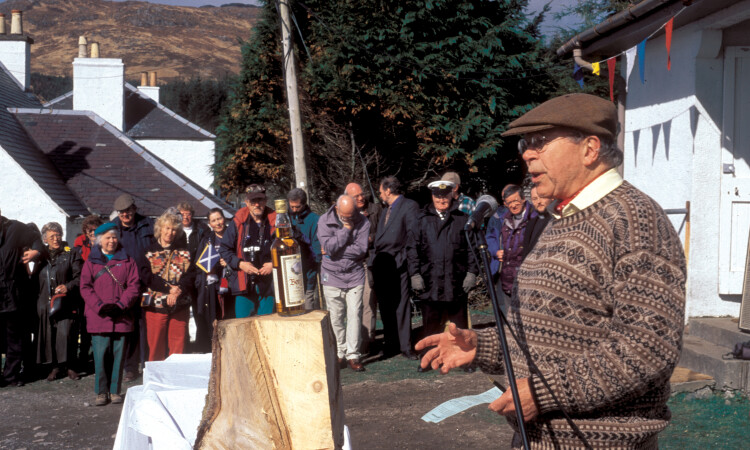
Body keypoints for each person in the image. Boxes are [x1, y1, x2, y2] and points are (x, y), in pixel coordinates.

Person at [417, 93, 686, 449]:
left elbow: (647, 349)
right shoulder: (562, 220)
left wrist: (542, 394)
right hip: (537, 438)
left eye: (541, 142)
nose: (527, 153)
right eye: (527, 144)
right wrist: (480, 346)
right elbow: (543, 336)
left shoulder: (635, 220)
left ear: (590, 149)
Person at [79, 222, 140, 406]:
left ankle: (115, 391)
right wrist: (100, 306)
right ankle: (100, 392)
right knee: (100, 356)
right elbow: (85, 287)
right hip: (99, 317)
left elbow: (134, 286)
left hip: (121, 316)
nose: (112, 241)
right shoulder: (91, 262)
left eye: (114, 237)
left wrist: (121, 305)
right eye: (107, 238)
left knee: (118, 356)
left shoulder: (128, 261)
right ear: (99, 241)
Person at [413, 181, 477, 347]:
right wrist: (414, 274)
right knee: (430, 325)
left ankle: (464, 356)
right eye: (437, 196)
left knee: (460, 325)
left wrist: (472, 273)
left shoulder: (462, 219)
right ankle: (429, 357)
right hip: (430, 281)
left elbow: (472, 249)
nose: (441, 200)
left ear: (451, 195)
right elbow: (412, 249)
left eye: (445, 196)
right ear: (432, 197)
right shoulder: (421, 220)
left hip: (455, 281)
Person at [318, 195, 370, 372]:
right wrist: (346, 230)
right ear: (337, 208)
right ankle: (340, 352)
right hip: (331, 276)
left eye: (351, 215)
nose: (349, 218)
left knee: (355, 315)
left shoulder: (363, 221)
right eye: (345, 216)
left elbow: (361, 250)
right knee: (336, 317)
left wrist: (335, 250)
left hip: (355, 275)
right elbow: (329, 247)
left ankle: (353, 355)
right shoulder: (324, 220)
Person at [371, 176, 420, 360]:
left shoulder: (409, 206)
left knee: (401, 307)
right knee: (385, 307)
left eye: (381, 190)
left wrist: (406, 262)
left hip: (399, 264)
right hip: (382, 265)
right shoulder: (385, 210)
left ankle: (406, 347)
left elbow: (413, 237)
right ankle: (391, 344)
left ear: (388, 190)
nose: (380, 193)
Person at [141, 211, 196, 361]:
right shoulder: (148, 251)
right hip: (155, 306)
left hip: (180, 304)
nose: (170, 232)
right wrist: (169, 289)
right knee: (155, 347)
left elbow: (190, 275)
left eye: (173, 229)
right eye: (167, 228)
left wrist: (177, 291)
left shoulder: (185, 252)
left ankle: (175, 380)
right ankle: (155, 381)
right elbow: (147, 277)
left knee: (178, 349)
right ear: (160, 228)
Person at [112, 193, 155, 382]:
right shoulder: (113, 229)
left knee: (146, 325)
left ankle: (148, 365)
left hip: (147, 285)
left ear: (134, 209)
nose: (125, 215)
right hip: (125, 287)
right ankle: (130, 367)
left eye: (128, 211)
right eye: (122, 212)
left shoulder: (149, 225)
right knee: (128, 327)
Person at [0, 211, 45, 387]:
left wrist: (36, 251)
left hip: (12, 294)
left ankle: (11, 376)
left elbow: (36, 238)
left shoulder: (15, 228)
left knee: (14, 339)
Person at [219, 184, 276, 318]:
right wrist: (240, 264)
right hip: (244, 284)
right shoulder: (238, 221)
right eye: (253, 201)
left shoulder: (276, 220)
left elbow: (289, 248)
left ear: (266, 201)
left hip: (269, 285)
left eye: (260, 200)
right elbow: (224, 249)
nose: (257, 204)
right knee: (243, 326)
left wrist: (274, 264)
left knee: (267, 327)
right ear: (247, 203)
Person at [35, 222, 83, 382]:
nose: (56, 239)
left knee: (66, 332)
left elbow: (80, 276)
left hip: (65, 301)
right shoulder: (41, 256)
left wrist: (67, 286)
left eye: (58, 235)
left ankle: (70, 366)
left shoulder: (71, 253)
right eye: (52, 237)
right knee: (49, 334)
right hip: (45, 302)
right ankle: (54, 367)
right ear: (45, 239)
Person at [344, 182, 381, 355]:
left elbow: (382, 232)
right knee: (350, 305)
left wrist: (370, 238)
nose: (360, 198)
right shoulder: (342, 212)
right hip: (349, 264)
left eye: (361, 194)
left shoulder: (375, 209)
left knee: (367, 302)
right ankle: (353, 341)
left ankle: (367, 342)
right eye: (355, 196)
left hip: (368, 262)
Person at [485, 184, 533, 314]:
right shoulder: (500, 217)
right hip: (503, 269)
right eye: (509, 202)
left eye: (515, 200)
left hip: (526, 273)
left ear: (523, 199)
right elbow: (490, 236)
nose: (513, 205)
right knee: (505, 311)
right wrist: (495, 251)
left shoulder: (533, 217)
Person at [176, 201, 210, 352]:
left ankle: (202, 345)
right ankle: (184, 346)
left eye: (188, 214)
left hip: (198, 275)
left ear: (193, 215)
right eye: (182, 214)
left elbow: (209, 250)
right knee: (182, 312)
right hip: (181, 276)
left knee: (199, 310)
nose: (185, 217)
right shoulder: (175, 231)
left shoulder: (202, 229)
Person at [73, 214, 103, 372]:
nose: (92, 232)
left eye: (95, 229)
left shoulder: (104, 244)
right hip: (84, 291)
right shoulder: (79, 245)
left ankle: (100, 358)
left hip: (100, 290)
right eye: (89, 230)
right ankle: (83, 357)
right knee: (84, 325)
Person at [195, 208, 231, 343]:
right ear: (209, 224)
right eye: (214, 220)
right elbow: (199, 265)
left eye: (219, 219)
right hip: (213, 287)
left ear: (224, 218)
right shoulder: (207, 240)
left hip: (232, 285)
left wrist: (229, 261)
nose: (218, 223)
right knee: (214, 322)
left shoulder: (234, 234)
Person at [287, 188, 322, 310]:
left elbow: (317, 247)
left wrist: (313, 264)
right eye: (292, 206)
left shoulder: (314, 219)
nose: (294, 210)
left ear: (304, 203)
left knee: (308, 303)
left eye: (298, 207)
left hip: (308, 268)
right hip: (288, 272)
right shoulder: (284, 218)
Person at [521, 186, 552, 259]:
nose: (539, 202)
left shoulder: (556, 222)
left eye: (542, 197)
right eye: (535, 199)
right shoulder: (530, 223)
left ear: (551, 198)